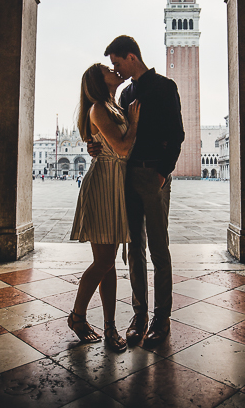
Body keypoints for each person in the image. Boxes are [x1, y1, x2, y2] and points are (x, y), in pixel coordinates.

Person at [90, 35, 184, 345]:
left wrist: (162, 173)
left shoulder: (165, 87)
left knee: (158, 248)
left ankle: (162, 318)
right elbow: (117, 133)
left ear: (132, 57)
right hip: (128, 177)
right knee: (134, 251)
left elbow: (178, 134)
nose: (116, 69)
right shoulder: (126, 93)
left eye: (117, 62)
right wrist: (95, 145)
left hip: (153, 175)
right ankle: (139, 314)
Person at [68, 63, 140, 351]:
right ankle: (77, 317)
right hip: (103, 185)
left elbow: (113, 144)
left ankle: (110, 327)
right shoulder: (99, 107)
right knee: (103, 262)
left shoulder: (114, 106)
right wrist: (134, 123)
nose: (115, 70)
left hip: (116, 184)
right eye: (108, 69)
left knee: (108, 264)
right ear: (100, 80)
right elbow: (122, 148)